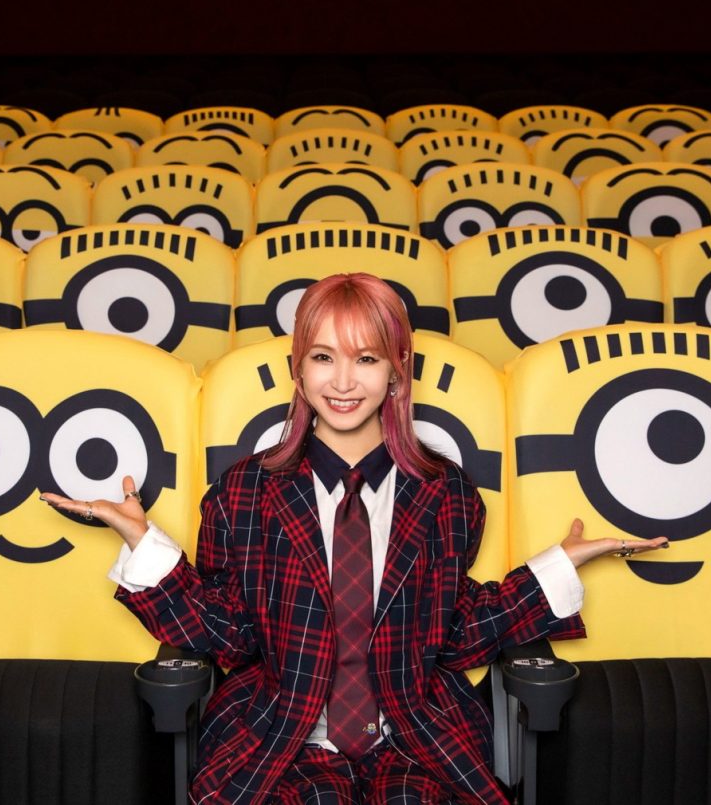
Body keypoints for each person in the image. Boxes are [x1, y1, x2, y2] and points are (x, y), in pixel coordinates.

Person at [43, 273, 666, 804]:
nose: (343, 382)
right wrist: (141, 539)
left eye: (366, 359)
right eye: (323, 357)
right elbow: (230, 632)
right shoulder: (244, 492)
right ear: (297, 369)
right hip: (281, 736)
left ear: (397, 372)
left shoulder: (445, 493)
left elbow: (453, 630)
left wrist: (560, 566)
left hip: (414, 735)